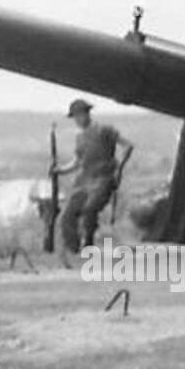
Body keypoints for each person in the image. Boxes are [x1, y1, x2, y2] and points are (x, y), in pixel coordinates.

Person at [54, 99, 133, 260]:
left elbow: (127, 146)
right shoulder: (80, 137)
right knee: (66, 216)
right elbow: (77, 162)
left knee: (89, 210)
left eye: (78, 116)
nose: (77, 120)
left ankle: (87, 245)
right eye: (74, 117)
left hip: (103, 179)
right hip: (83, 181)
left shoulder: (104, 130)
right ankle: (75, 252)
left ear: (86, 114)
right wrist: (60, 170)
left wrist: (119, 169)